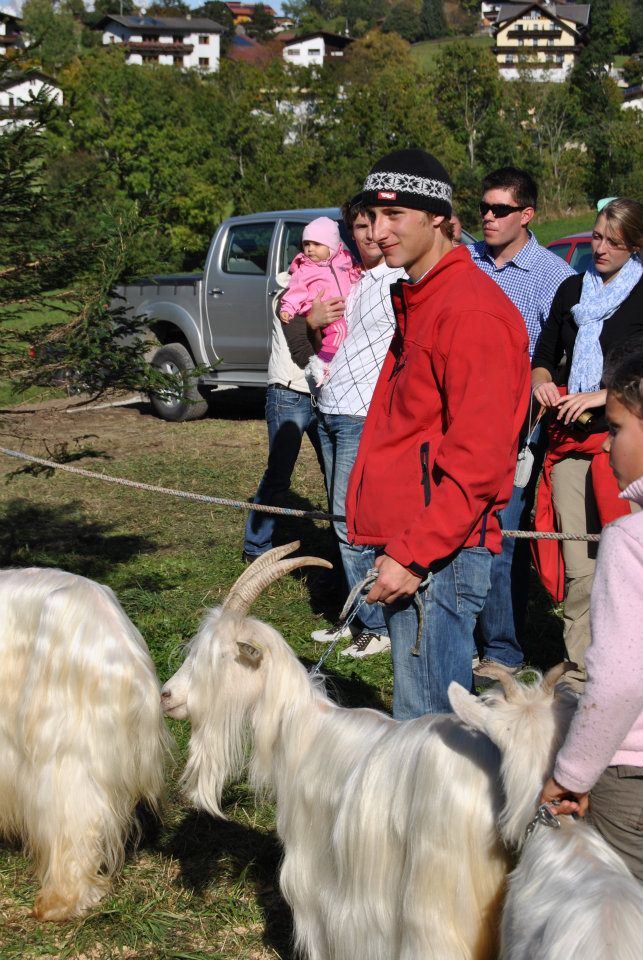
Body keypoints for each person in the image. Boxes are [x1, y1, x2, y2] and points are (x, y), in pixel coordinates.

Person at [345, 148, 531, 718]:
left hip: (438, 559)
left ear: (437, 217)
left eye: (395, 215)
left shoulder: (469, 312)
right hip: (417, 546)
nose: (378, 232)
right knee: (420, 729)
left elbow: (479, 462)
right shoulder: (423, 298)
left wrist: (413, 554)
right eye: (372, 217)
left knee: (429, 734)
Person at [540, 344, 643, 882]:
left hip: (631, 778)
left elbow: (621, 681)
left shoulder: (629, 539)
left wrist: (572, 774)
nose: (605, 446)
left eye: (619, 428)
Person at [468, 168, 575, 677]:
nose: (487, 217)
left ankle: (503, 651)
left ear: (526, 215)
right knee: (462, 532)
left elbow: (558, 357)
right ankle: (461, 631)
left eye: (500, 210)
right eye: (483, 208)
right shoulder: (466, 264)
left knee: (502, 536)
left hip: (518, 429)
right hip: (461, 421)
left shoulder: (555, 278)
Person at [531, 199, 643, 684]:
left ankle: (628, 664)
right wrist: (542, 381)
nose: (599, 248)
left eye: (612, 242)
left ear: (634, 246)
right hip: (567, 444)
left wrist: (602, 395)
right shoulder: (573, 289)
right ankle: (582, 672)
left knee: (626, 564)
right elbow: (544, 352)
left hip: (626, 446)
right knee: (580, 564)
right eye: (596, 236)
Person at [307, 195, 405, 658]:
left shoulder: (397, 279)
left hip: (360, 415)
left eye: (374, 225)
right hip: (329, 405)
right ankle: (353, 617)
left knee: (352, 524)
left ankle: (376, 626)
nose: (368, 235)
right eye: (358, 228)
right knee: (337, 517)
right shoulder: (358, 278)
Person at [242, 275, 326, 563]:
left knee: (336, 472)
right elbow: (303, 331)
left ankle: (341, 540)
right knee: (279, 474)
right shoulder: (288, 295)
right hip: (289, 394)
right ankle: (255, 547)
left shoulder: (335, 286)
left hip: (326, 396)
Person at [279, 216, 360, 390]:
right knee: (339, 332)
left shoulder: (344, 260)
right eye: (306, 244)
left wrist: (356, 273)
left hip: (341, 311)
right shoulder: (305, 269)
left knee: (344, 336)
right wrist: (288, 308)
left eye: (316, 244)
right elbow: (295, 291)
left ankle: (330, 364)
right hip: (324, 311)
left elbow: (351, 275)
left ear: (331, 246)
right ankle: (323, 364)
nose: (309, 249)